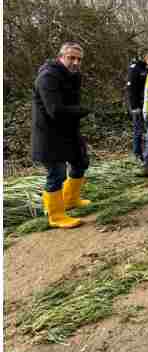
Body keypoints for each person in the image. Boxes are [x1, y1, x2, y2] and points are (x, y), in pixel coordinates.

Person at [31, 42, 92, 228]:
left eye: (79, 59)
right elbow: (55, 110)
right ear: (61, 57)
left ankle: (71, 199)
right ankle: (56, 215)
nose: (75, 62)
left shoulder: (74, 75)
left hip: (68, 130)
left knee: (81, 161)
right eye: (71, 58)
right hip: (48, 134)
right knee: (56, 174)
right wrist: (81, 111)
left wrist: (77, 113)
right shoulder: (47, 77)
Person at [126, 51, 148, 162]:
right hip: (137, 105)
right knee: (138, 129)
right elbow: (131, 89)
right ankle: (137, 153)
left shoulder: (146, 68)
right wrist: (134, 106)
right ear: (144, 56)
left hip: (147, 104)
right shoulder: (135, 68)